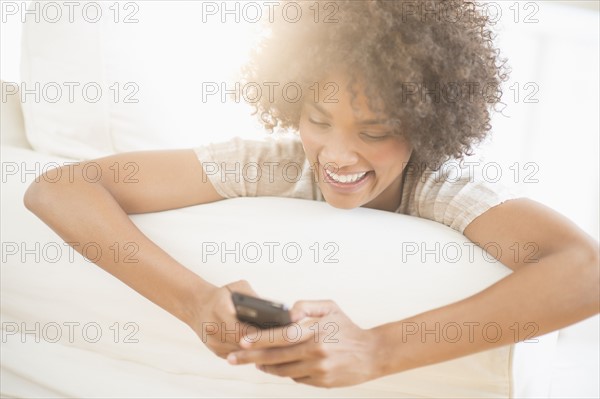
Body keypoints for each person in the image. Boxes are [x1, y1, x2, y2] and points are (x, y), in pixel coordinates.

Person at [24, 0, 598, 389]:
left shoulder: (441, 190)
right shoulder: (270, 164)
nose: (337, 156)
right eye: (317, 121)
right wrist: (196, 301)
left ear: (428, 129)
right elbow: (60, 187)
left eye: (374, 132)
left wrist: (376, 349)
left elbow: (585, 269)